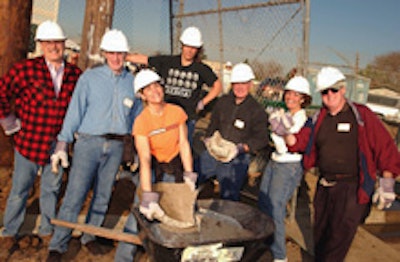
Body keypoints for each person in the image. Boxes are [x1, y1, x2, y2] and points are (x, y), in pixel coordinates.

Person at [282, 67, 400, 262]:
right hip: (325, 186)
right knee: (320, 235)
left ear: (343, 89)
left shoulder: (361, 116)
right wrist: (285, 134)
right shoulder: (319, 117)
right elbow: (302, 140)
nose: (329, 96)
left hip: (351, 189)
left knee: (338, 239)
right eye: (324, 92)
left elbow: (385, 147)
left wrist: (387, 182)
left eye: (333, 90)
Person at [45, 29, 142, 261]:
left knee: (102, 194)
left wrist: (137, 149)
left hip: (117, 145)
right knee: (75, 194)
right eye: (112, 53)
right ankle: (58, 245)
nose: (116, 58)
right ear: (105, 53)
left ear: (126, 54)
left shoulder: (132, 82)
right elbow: (75, 111)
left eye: (121, 53)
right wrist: (62, 142)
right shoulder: (89, 78)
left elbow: (137, 117)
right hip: (89, 143)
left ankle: (89, 236)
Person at [0, 20, 82, 248]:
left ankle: (47, 229)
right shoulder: (25, 69)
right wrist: (9, 121)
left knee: (51, 189)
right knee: (19, 190)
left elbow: (81, 106)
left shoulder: (75, 75)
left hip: (58, 146)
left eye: (57, 42)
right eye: (48, 42)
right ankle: (9, 231)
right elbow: (2, 93)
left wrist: (69, 139)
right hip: (29, 142)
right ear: (40, 44)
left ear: (64, 44)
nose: (53, 46)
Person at [114, 69, 196, 261]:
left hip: (174, 166)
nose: (155, 91)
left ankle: (169, 255)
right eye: (148, 89)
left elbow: (184, 144)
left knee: (175, 211)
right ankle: (124, 257)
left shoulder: (176, 112)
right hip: (154, 167)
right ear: (142, 95)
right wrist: (148, 195)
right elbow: (144, 159)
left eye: (157, 86)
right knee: (140, 213)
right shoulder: (142, 122)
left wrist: (189, 174)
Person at [125, 26, 222, 145]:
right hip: (164, 116)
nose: (189, 50)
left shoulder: (201, 69)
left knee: (183, 150)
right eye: (187, 46)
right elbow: (145, 59)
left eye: (193, 47)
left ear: (198, 49)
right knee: (160, 147)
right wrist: (123, 56)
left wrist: (202, 103)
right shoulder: (168, 62)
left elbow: (217, 86)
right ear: (182, 45)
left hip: (187, 118)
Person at [258, 76, 312, 262]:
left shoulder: (302, 118)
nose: (290, 97)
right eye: (289, 93)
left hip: (288, 165)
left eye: (296, 95)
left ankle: (280, 257)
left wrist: (281, 131)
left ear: (303, 98)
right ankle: (266, 244)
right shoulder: (285, 113)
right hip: (275, 161)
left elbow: (288, 145)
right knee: (264, 202)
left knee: (275, 208)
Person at [197, 63, 270, 201]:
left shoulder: (256, 110)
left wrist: (242, 148)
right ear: (232, 84)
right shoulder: (223, 102)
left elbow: (262, 139)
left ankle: (227, 219)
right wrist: (209, 139)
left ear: (250, 84)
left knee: (229, 195)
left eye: (244, 83)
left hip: (236, 158)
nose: (240, 87)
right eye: (237, 83)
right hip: (215, 151)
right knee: (193, 176)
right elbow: (214, 123)